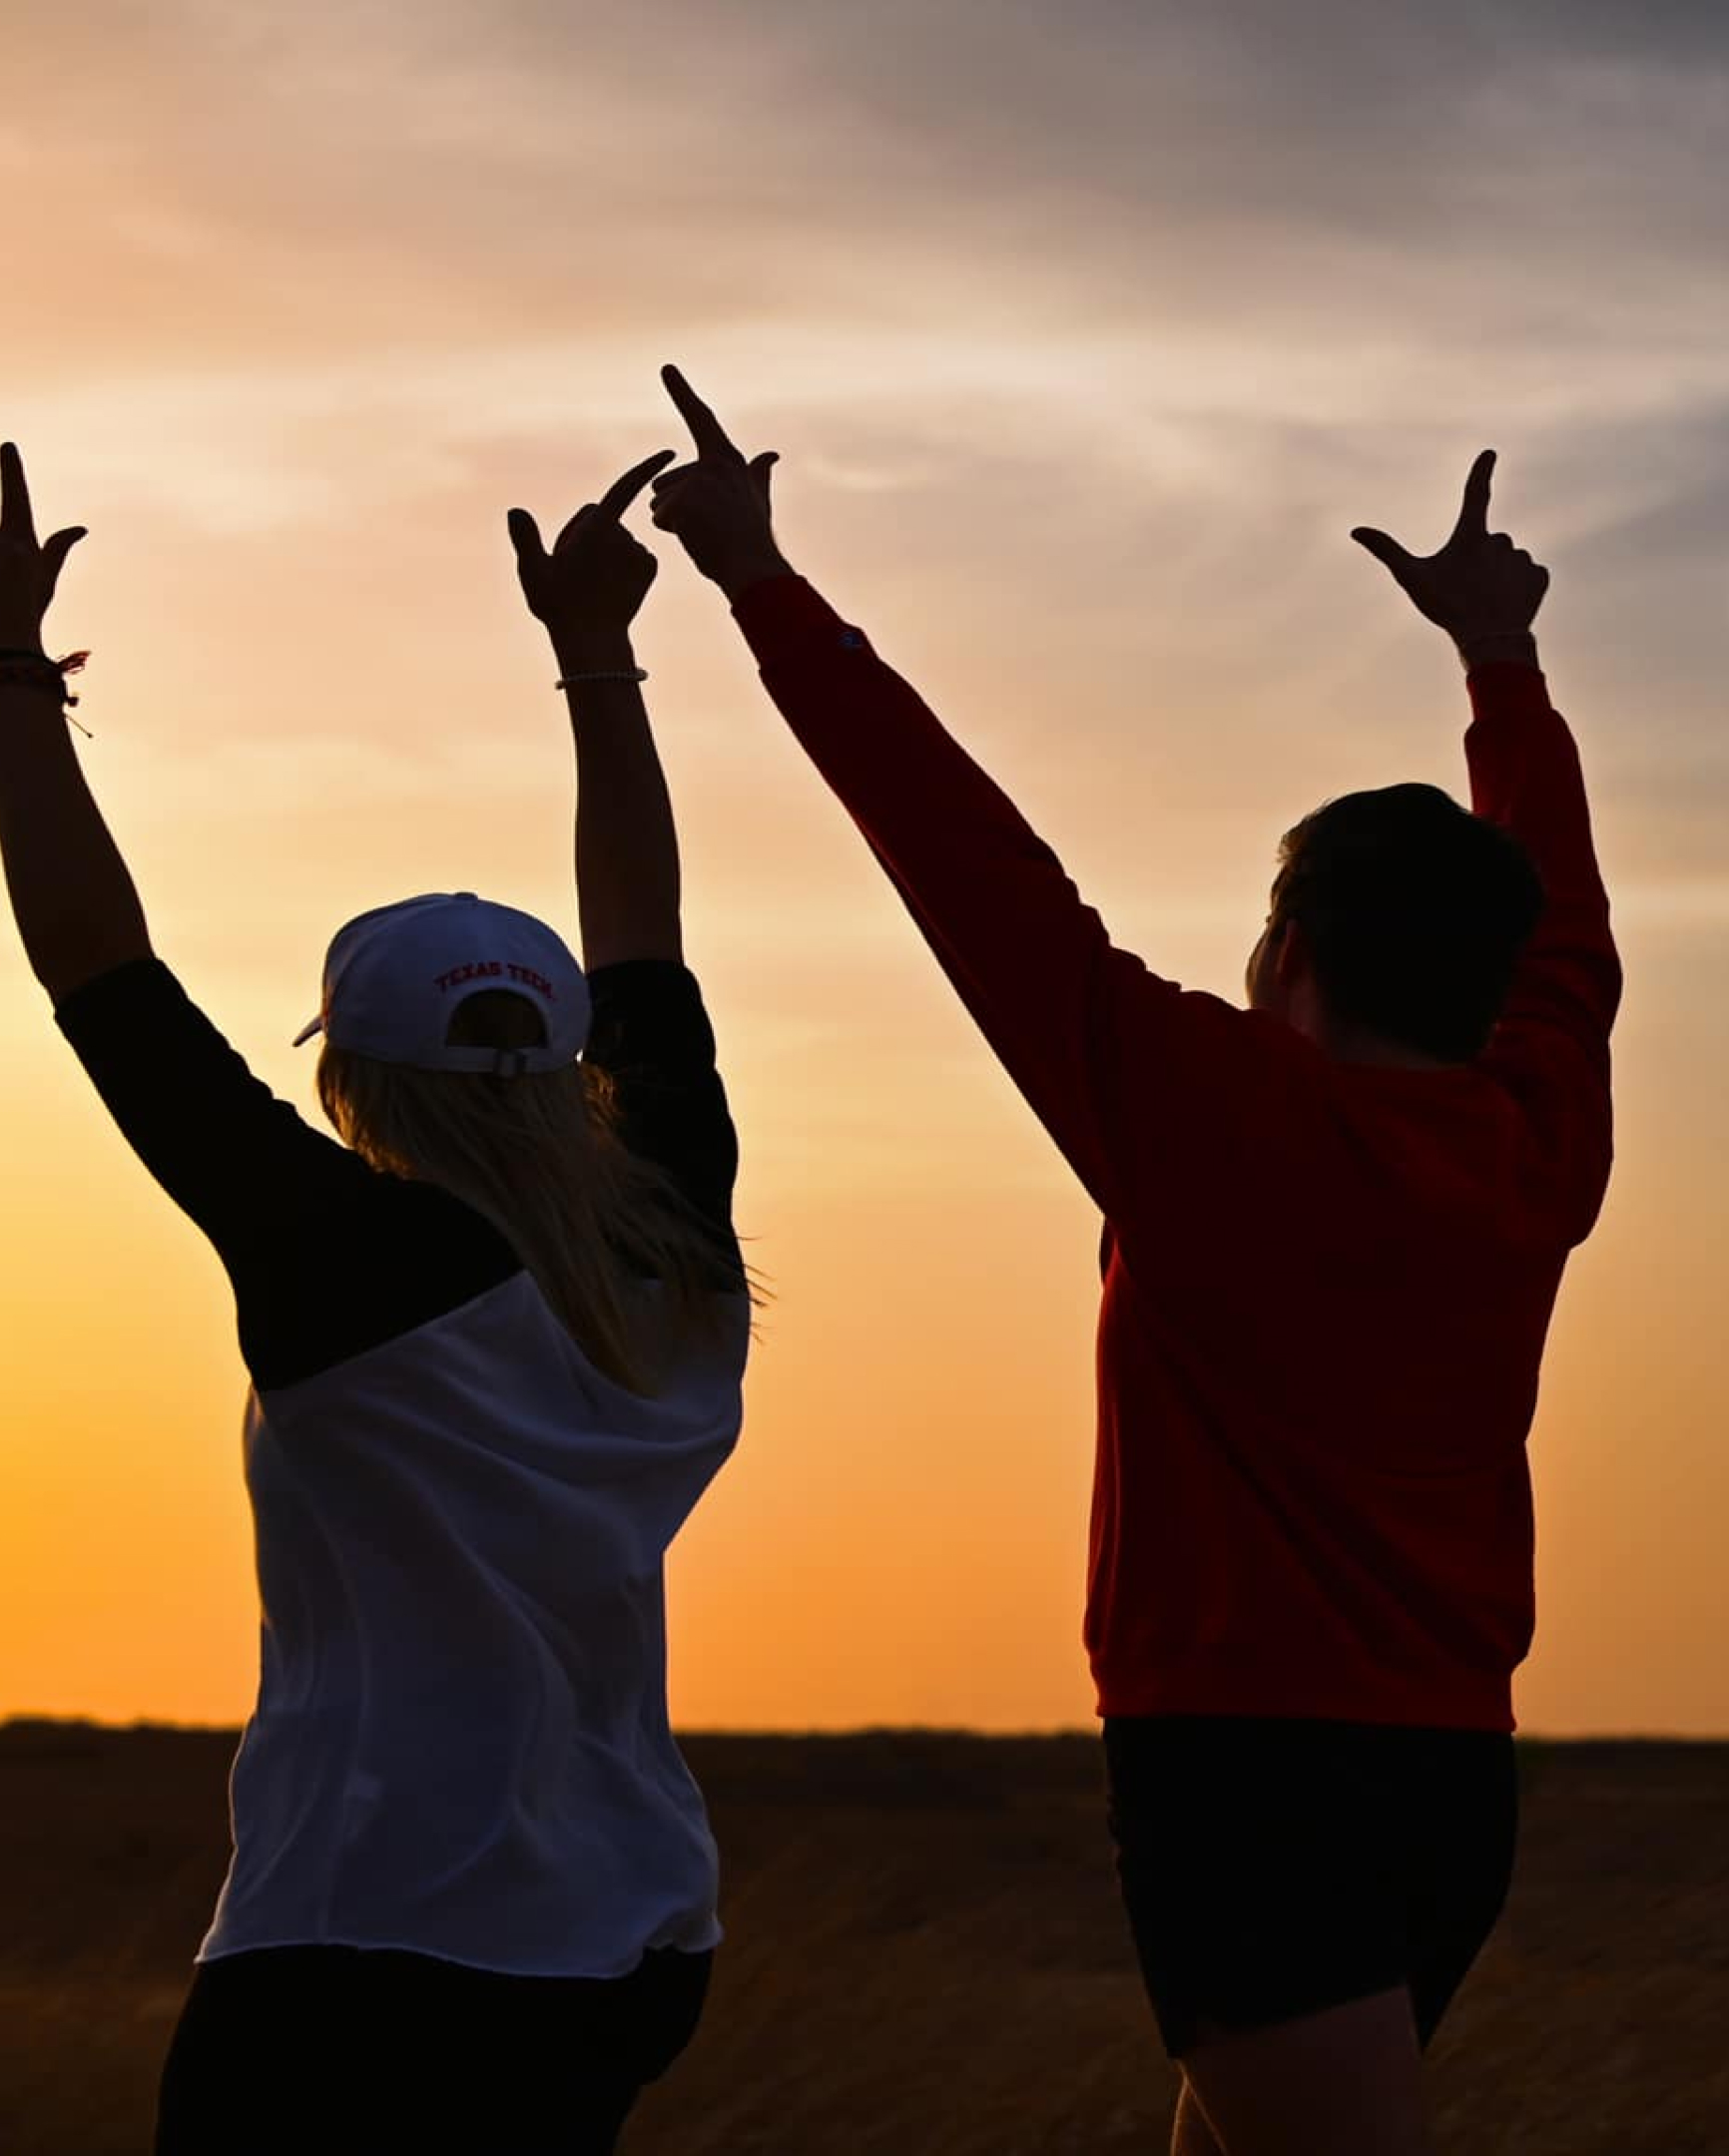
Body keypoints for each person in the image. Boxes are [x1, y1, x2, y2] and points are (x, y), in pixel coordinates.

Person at [646, 374, 1620, 2156]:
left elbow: (965, 857)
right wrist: (1503, 669)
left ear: (1291, 952)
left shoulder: (1208, 1116)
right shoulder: (1540, 1128)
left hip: (1246, 1767)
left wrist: (761, 588)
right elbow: (1565, 935)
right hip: (1452, 1776)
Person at [0, 437, 753, 2155]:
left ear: (347, 1080)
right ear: (574, 1065)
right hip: (633, 1931)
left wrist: (9, 678)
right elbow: (648, 938)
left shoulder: (350, 1268)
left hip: (376, 1940)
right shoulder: (679, 1246)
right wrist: (596, 657)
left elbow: (96, 971)